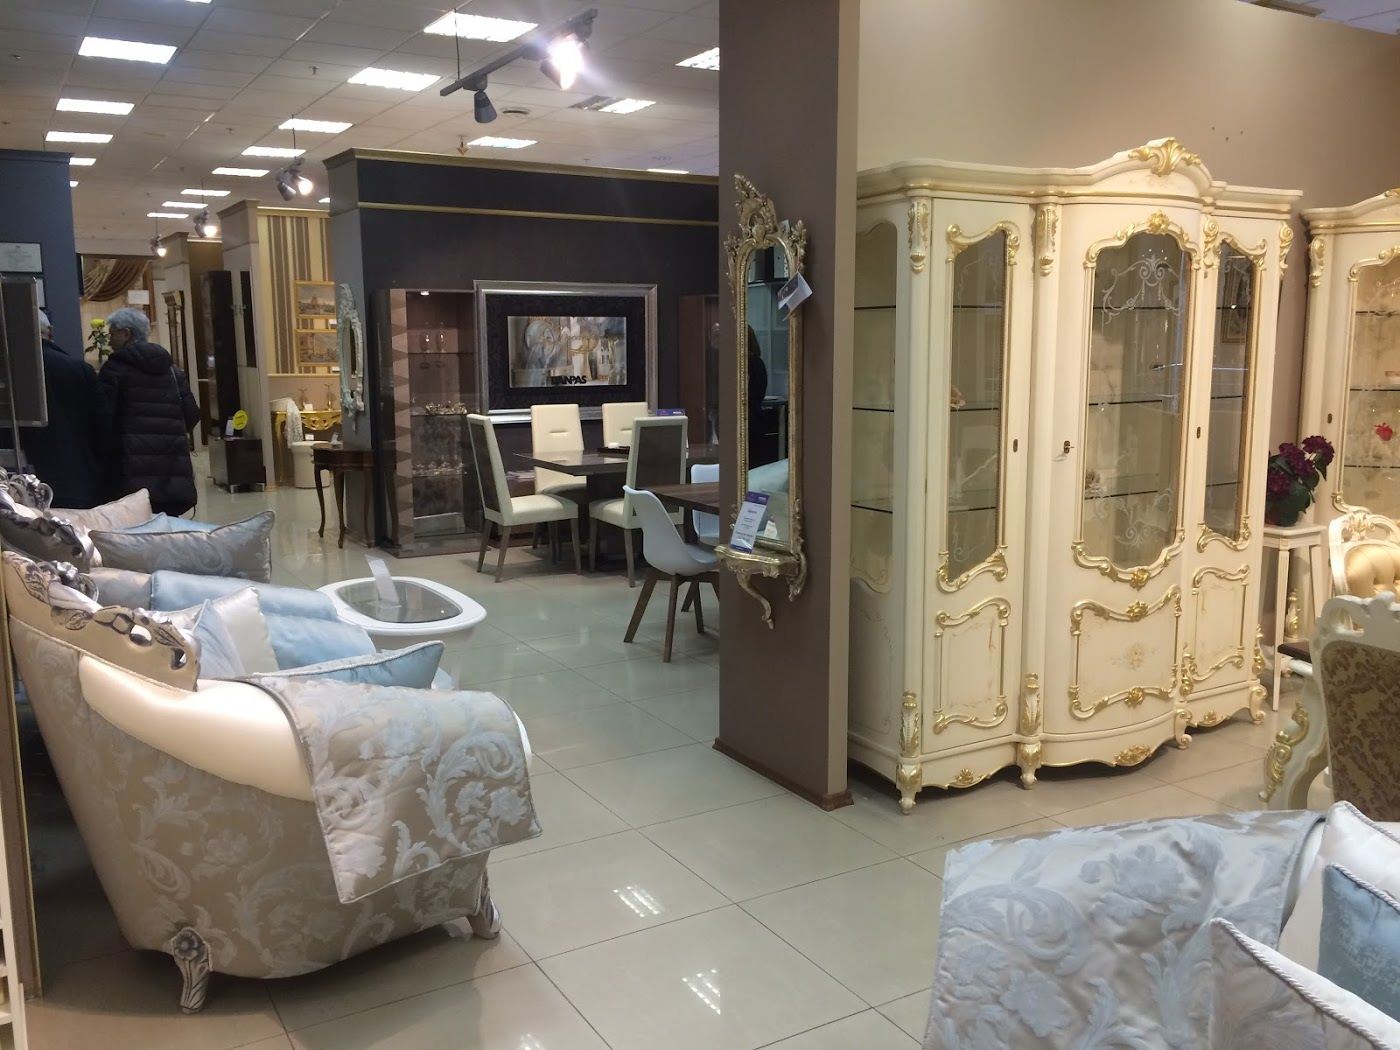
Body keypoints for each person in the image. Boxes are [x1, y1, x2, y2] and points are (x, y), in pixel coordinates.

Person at [98, 307, 199, 516]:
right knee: (167, 527)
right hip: (171, 472)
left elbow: (102, 419)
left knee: (135, 529)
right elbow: (191, 415)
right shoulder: (172, 371)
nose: (109, 340)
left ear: (126, 334)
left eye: (113, 333)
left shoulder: (114, 370)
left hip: (130, 474)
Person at [18, 310, 110, 508]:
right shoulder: (78, 369)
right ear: (50, 332)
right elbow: (102, 426)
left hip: (19, 485)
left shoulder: (11, 370)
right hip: (75, 478)